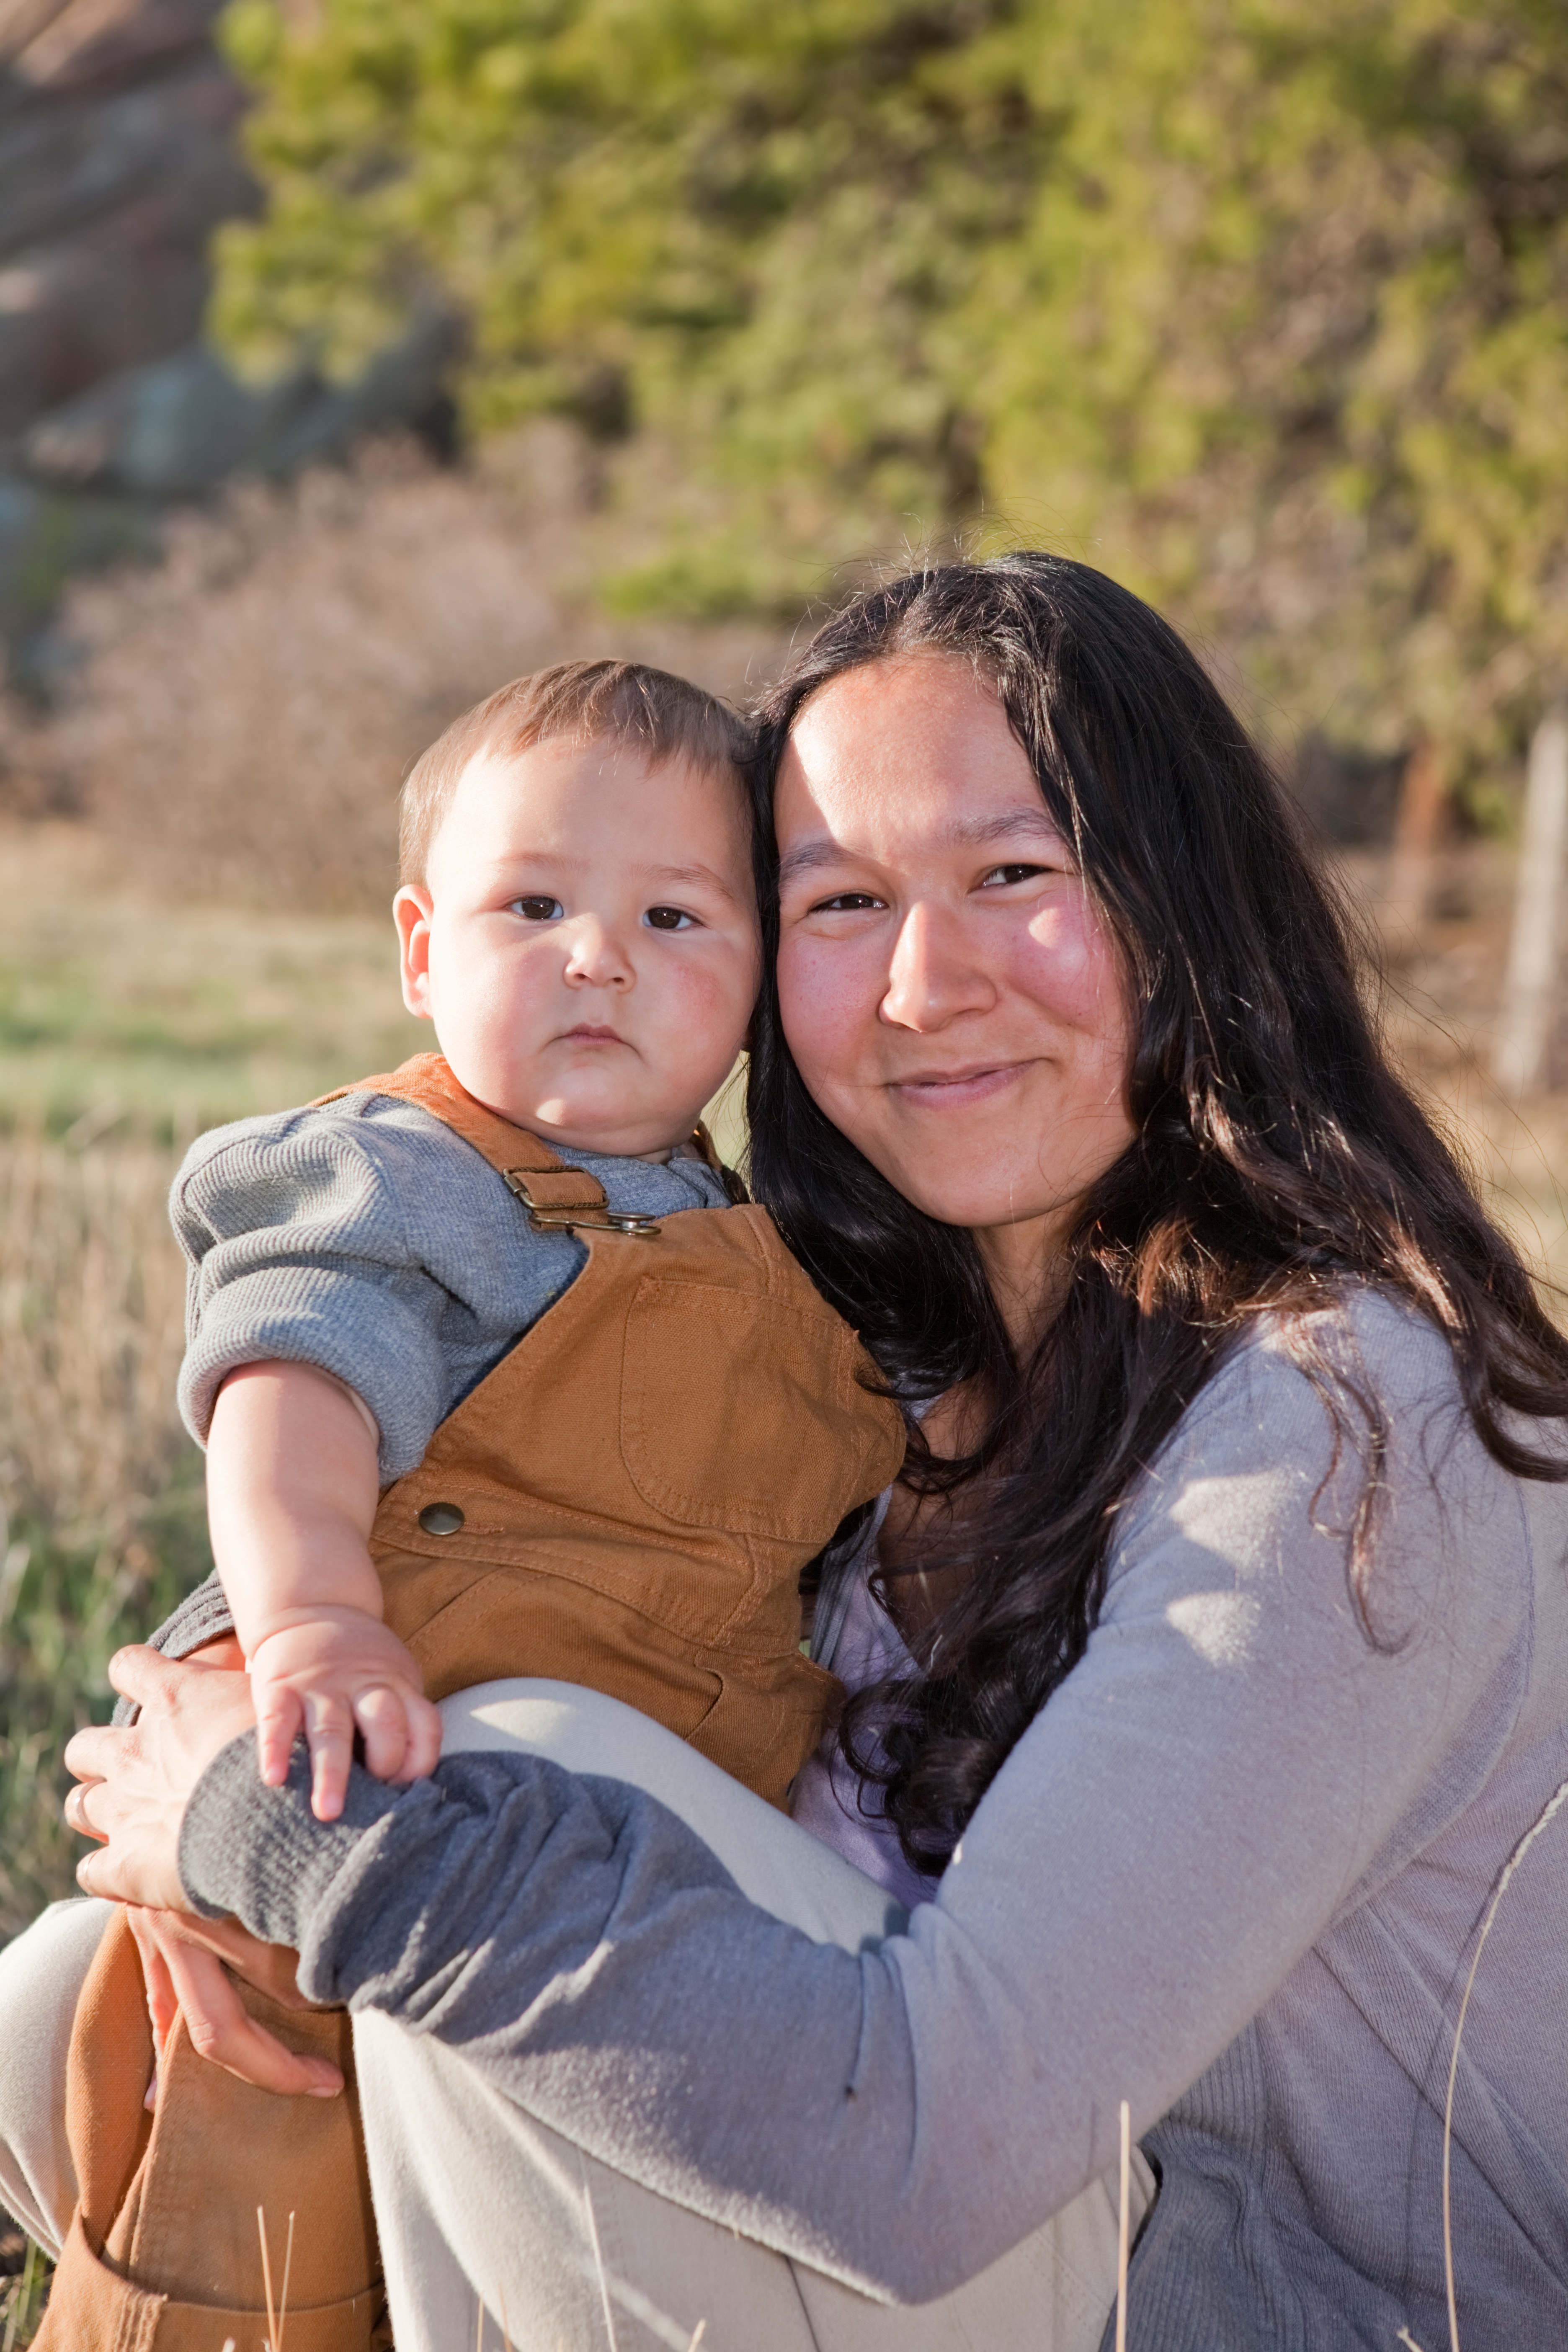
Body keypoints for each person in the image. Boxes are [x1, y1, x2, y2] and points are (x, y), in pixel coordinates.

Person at [24, 552, 1568, 2352]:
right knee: (85, 2000)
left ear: (1184, 911)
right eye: (841, 903)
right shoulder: (863, 1377)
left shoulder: (1345, 1422)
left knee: (516, 1790)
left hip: (1243, 2306)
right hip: (982, 2261)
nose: (926, 983)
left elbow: (939, 2138)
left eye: (1014, 875)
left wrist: (310, 1839)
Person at [27, 656, 905, 2347]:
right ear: (423, 951)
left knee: (481, 2224)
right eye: (535, 905)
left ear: (758, 985)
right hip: (363, 1759)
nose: (599, 957)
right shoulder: (406, 1176)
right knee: (249, 2180)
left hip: (613, 1863)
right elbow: (293, 1386)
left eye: (674, 919)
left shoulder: (789, 1247)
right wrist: (313, 1622)